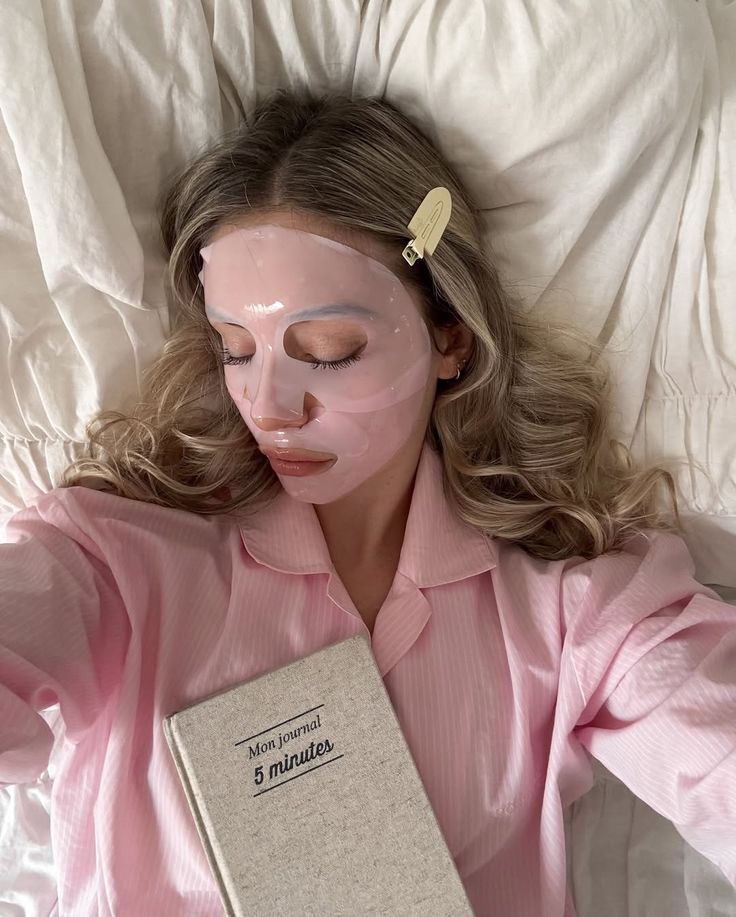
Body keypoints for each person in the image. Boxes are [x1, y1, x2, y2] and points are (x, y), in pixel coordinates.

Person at [1, 86, 734, 917]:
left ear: (449, 338)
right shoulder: (112, 562)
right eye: (236, 350)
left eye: (329, 351)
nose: (269, 403)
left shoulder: (572, 614)